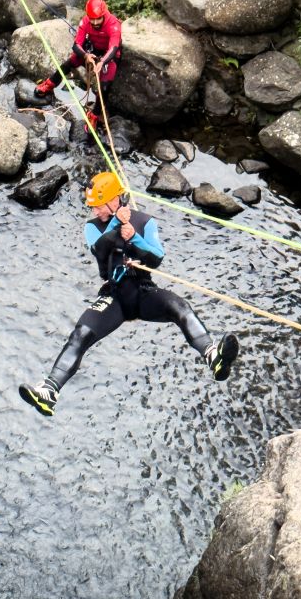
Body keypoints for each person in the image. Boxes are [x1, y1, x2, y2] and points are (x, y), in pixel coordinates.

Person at [18, 171, 239, 417]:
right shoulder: (92, 227)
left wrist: (134, 237)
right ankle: (49, 391)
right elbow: (100, 250)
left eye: (98, 206)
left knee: (180, 307)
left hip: (143, 293)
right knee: (81, 333)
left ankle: (212, 356)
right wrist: (116, 225)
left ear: (114, 201)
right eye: (92, 207)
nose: (93, 212)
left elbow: (156, 259)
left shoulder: (145, 222)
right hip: (114, 297)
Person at [34, 0, 121, 130]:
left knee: (104, 87)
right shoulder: (85, 22)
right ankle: (49, 84)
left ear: (104, 15)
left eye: (98, 18)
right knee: (69, 63)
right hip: (92, 50)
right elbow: (76, 45)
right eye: (93, 19)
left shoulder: (113, 24)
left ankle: (95, 115)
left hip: (108, 56)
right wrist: (86, 55)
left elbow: (114, 48)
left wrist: (102, 62)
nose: (96, 22)